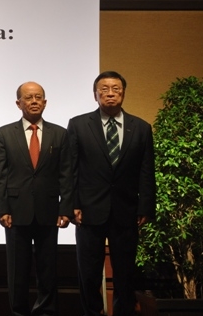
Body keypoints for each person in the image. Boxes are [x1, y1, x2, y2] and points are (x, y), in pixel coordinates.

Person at [67, 71, 155, 316]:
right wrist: (72, 205)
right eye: (104, 89)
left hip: (126, 211)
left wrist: (145, 207)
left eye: (116, 89)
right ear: (95, 95)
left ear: (123, 93)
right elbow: (70, 168)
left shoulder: (141, 127)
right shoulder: (78, 124)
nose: (110, 93)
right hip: (88, 210)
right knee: (89, 273)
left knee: (125, 273)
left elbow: (147, 171)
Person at [0, 82, 74, 316]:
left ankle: (46, 311)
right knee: (17, 270)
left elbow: (66, 174)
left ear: (45, 103)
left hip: (49, 210)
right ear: (18, 103)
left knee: (48, 268)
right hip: (15, 211)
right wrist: (2, 209)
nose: (34, 101)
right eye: (28, 98)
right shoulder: (4, 133)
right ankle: (18, 311)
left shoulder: (60, 133)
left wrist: (65, 208)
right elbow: (0, 175)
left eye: (39, 97)